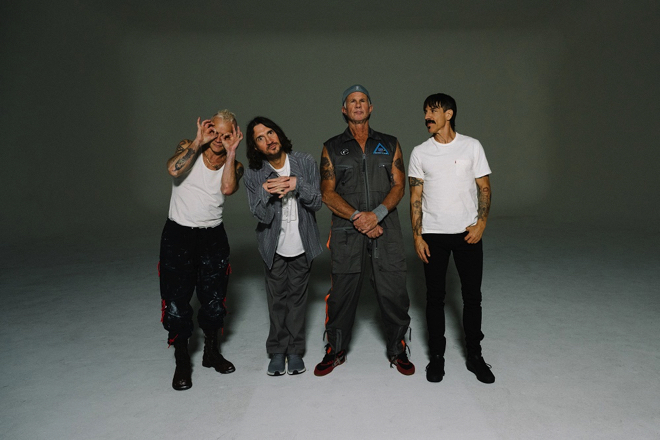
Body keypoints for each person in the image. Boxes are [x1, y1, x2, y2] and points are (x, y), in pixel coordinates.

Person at [315, 84, 414, 376]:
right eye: (352, 101)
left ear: (370, 108)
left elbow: (399, 186)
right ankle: (335, 349)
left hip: (386, 228)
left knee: (394, 290)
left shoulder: (390, 143)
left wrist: (377, 216)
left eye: (362, 101)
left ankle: (398, 349)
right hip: (347, 229)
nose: (357, 105)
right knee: (342, 294)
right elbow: (327, 192)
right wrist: (360, 217)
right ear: (344, 109)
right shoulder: (332, 147)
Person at [408, 93, 495, 384]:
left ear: (449, 113)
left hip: (467, 234)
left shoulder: (472, 146)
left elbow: (484, 187)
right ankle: (437, 356)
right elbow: (415, 197)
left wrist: (481, 224)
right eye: (425, 111)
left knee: (472, 297)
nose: (427, 117)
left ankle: (475, 355)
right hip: (433, 235)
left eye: (432, 111)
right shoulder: (420, 152)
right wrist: (417, 236)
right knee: (434, 299)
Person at [159, 110, 244, 390]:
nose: (219, 139)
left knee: (214, 299)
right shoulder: (188, 146)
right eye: (214, 132)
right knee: (176, 301)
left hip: (212, 236)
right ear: (207, 129)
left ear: (234, 136)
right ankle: (182, 359)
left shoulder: (235, 165)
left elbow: (227, 189)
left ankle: (211, 352)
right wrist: (197, 142)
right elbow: (173, 170)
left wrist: (231, 153)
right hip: (178, 234)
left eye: (226, 135)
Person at [243, 116, 323, 376]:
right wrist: (265, 191)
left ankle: (295, 351)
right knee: (277, 300)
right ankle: (278, 351)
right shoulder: (254, 174)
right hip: (273, 245)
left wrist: (297, 184)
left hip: (302, 243)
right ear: (256, 147)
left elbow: (317, 202)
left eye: (270, 132)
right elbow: (261, 216)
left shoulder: (304, 161)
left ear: (278, 133)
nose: (268, 139)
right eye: (260, 138)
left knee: (297, 300)